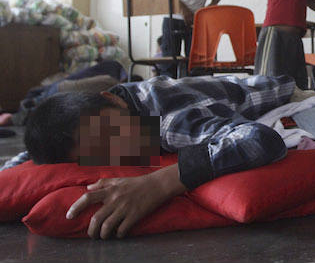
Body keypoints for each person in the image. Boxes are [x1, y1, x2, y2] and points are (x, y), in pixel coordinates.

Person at [1, 74, 294, 239]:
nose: (123, 145)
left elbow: (260, 139)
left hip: (277, 88)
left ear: (111, 98)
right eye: (103, 152)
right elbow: (26, 160)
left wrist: (161, 182)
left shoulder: (166, 121)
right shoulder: (100, 118)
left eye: (113, 133)